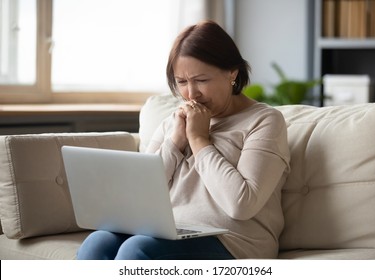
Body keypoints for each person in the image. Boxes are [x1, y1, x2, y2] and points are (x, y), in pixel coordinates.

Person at [77, 20, 290, 260]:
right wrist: (175, 142)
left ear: (232, 72)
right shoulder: (173, 122)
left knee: (136, 250)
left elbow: (241, 204)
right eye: (182, 82)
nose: (191, 93)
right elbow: (139, 196)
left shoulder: (264, 121)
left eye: (201, 80)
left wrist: (199, 139)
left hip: (235, 242)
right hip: (170, 232)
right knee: (98, 242)